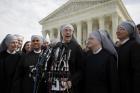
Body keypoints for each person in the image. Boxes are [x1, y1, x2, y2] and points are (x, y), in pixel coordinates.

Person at [37, 24, 84, 93]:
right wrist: (48, 76)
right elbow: (49, 64)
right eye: (65, 30)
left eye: (70, 30)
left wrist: (72, 81)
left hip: (69, 86)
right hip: (54, 85)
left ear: (72, 33)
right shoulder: (56, 47)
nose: (68, 32)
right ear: (61, 33)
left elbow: (81, 68)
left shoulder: (77, 47)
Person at [116, 21, 140, 93]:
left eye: (122, 29)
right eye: (117, 29)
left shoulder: (134, 46)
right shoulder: (119, 47)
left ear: (129, 31)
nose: (118, 31)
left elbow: (137, 71)